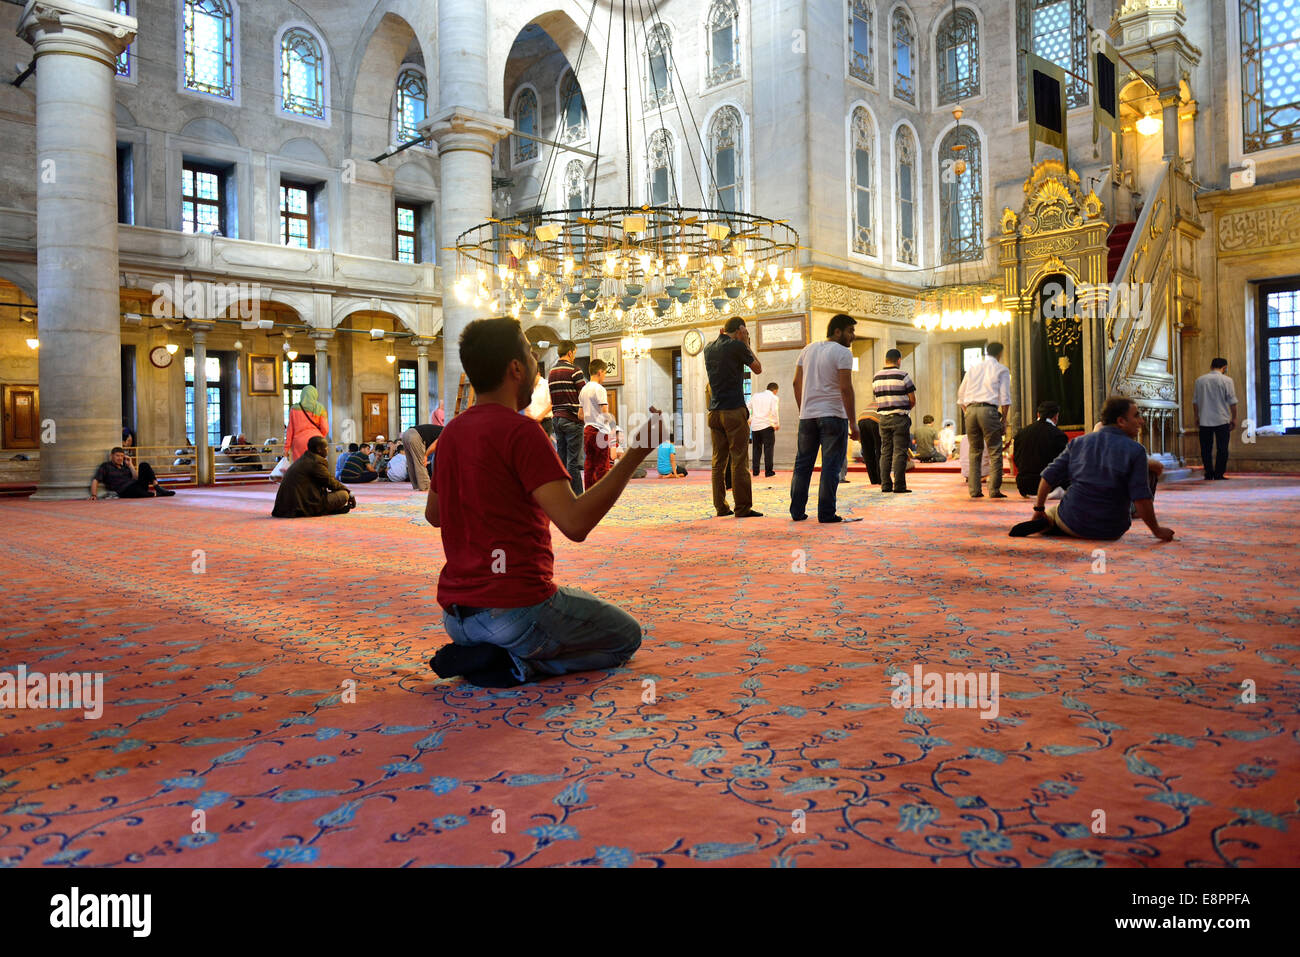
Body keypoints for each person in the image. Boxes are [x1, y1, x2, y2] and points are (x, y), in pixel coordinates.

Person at [425, 316, 664, 687]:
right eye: (533, 357)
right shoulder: (522, 432)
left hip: (457, 618)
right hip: (515, 612)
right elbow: (575, 523)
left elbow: (434, 515)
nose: (539, 368)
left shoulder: (452, 432)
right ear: (516, 368)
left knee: (577, 602)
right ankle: (518, 665)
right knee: (626, 636)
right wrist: (635, 455)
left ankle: (486, 652)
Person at [1009, 396, 1174, 542]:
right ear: (1121, 421)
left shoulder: (1078, 442)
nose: (1141, 421)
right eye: (1136, 416)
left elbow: (1047, 477)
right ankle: (1053, 523)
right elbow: (1141, 498)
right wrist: (1157, 531)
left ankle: (1051, 523)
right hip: (1111, 530)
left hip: (1071, 521)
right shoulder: (1136, 450)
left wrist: (1039, 509)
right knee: (1147, 472)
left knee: (1054, 510)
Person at [790, 313, 859, 523]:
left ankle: (797, 511)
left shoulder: (807, 349)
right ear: (837, 331)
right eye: (850, 331)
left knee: (803, 464)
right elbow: (846, 388)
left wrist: (805, 409)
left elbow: (795, 383)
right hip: (833, 416)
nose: (853, 336)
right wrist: (853, 422)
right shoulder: (843, 353)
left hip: (807, 417)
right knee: (831, 465)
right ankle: (826, 513)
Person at [705, 317, 764, 517]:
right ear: (740, 330)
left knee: (718, 462)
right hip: (733, 411)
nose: (745, 335)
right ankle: (742, 507)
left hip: (714, 412)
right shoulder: (737, 346)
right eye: (745, 332)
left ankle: (721, 507)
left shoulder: (708, 348)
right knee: (739, 460)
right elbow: (758, 368)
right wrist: (746, 344)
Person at [957, 342, 1012, 499]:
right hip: (988, 410)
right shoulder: (1001, 369)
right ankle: (994, 490)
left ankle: (974, 491)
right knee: (995, 451)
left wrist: (969, 413)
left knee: (974, 452)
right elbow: (1005, 398)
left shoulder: (973, 368)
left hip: (970, 410)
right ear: (1000, 353)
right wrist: (1004, 420)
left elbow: (960, 396)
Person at [272, 435, 355, 518]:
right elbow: (331, 482)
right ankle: (323, 510)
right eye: (326, 448)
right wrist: (349, 493)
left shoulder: (305, 458)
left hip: (285, 507)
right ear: (319, 449)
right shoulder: (316, 462)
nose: (328, 450)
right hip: (301, 506)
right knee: (343, 495)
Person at [873, 348, 916, 494]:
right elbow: (912, 399)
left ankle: (885, 485)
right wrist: (904, 410)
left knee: (885, 452)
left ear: (886, 360)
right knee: (899, 452)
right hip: (899, 418)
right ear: (898, 360)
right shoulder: (902, 375)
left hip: (883, 419)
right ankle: (899, 486)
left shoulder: (876, 377)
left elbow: (877, 399)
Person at [548, 340, 587, 496]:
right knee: (574, 462)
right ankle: (577, 496)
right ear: (570, 352)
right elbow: (584, 395)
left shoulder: (551, 372)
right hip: (571, 419)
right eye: (575, 353)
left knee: (562, 460)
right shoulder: (574, 370)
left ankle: (563, 494)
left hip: (556, 419)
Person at [1011, 401, 1069, 497]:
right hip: (1049, 486)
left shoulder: (1021, 433)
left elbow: (1016, 459)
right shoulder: (1058, 434)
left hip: (1025, 486)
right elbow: (1063, 464)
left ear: (1038, 414)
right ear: (1056, 416)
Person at [1193, 357, 1237, 480]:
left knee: (1206, 449)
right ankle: (1219, 474)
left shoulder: (1199, 380)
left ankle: (1208, 473)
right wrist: (1234, 418)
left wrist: (1196, 417)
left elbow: (1195, 402)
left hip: (1205, 419)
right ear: (1224, 367)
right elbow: (1232, 402)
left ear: (1211, 366)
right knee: (1222, 448)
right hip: (1222, 419)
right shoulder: (1227, 380)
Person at [89, 447, 176, 499]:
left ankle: (156, 486)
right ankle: (156, 494)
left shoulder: (125, 466)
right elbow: (96, 480)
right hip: (124, 490)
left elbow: (136, 478)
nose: (120, 458)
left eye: (122, 456)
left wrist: (130, 465)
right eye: (117, 456)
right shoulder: (106, 466)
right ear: (111, 456)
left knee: (144, 465)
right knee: (135, 491)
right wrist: (94, 495)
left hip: (136, 485)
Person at [580, 359, 612, 490]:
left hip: (587, 429)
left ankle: (589, 494)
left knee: (589, 464)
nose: (604, 377)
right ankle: (602, 495)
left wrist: (590, 420)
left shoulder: (583, 389)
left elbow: (580, 415)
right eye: (604, 373)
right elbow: (604, 412)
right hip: (599, 431)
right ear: (600, 372)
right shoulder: (599, 389)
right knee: (602, 466)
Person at [285, 384, 329, 462]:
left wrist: (286, 449)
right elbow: (325, 429)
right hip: (316, 441)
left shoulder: (294, 409)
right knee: (316, 466)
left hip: (299, 443)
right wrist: (320, 436)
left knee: (300, 468)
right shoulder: (320, 408)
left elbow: (290, 431)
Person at [400, 416, 443, 492]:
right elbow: (435, 445)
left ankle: (416, 485)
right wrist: (426, 455)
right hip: (415, 436)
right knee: (420, 462)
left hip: (406, 434)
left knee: (412, 462)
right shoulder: (446, 432)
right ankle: (425, 486)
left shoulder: (443, 430)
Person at [749, 381, 780, 477]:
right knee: (768, 449)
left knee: (756, 449)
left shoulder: (755, 396)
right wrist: (776, 424)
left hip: (755, 426)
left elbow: (746, 406)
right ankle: (768, 472)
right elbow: (774, 411)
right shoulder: (774, 397)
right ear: (775, 390)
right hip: (767, 425)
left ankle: (755, 471)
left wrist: (749, 419)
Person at [524, 367, 553, 439]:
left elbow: (553, 402)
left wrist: (541, 416)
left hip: (545, 421)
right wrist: (527, 413)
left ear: (538, 374)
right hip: (530, 422)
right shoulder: (527, 386)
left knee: (544, 448)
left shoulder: (547, 384)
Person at [856, 407, 882, 485]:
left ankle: (873, 480)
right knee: (879, 451)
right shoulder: (887, 403)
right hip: (875, 421)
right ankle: (881, 479)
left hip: (861, 420)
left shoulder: (875, 402)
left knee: (867, 452)